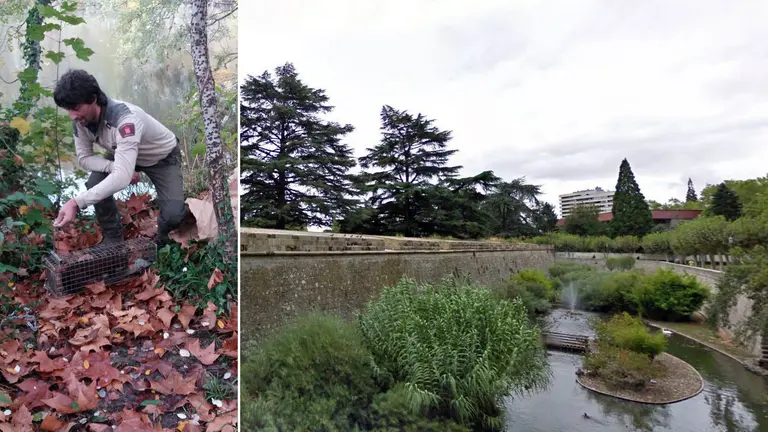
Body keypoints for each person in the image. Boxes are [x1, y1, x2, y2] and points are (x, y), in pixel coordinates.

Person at [52, 69, 188, 248]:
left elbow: (122, 178)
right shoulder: (81, 122)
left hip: (161, 157)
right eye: (68, 109)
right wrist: (113, 166)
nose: (72, 116)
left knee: (173, 215)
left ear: (93, 99)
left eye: (76, 108)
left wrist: (76, 203)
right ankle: (113, 239)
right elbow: (84, 158)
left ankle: (161, 242)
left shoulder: (126, 120)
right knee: (94, 183)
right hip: (122, 151)